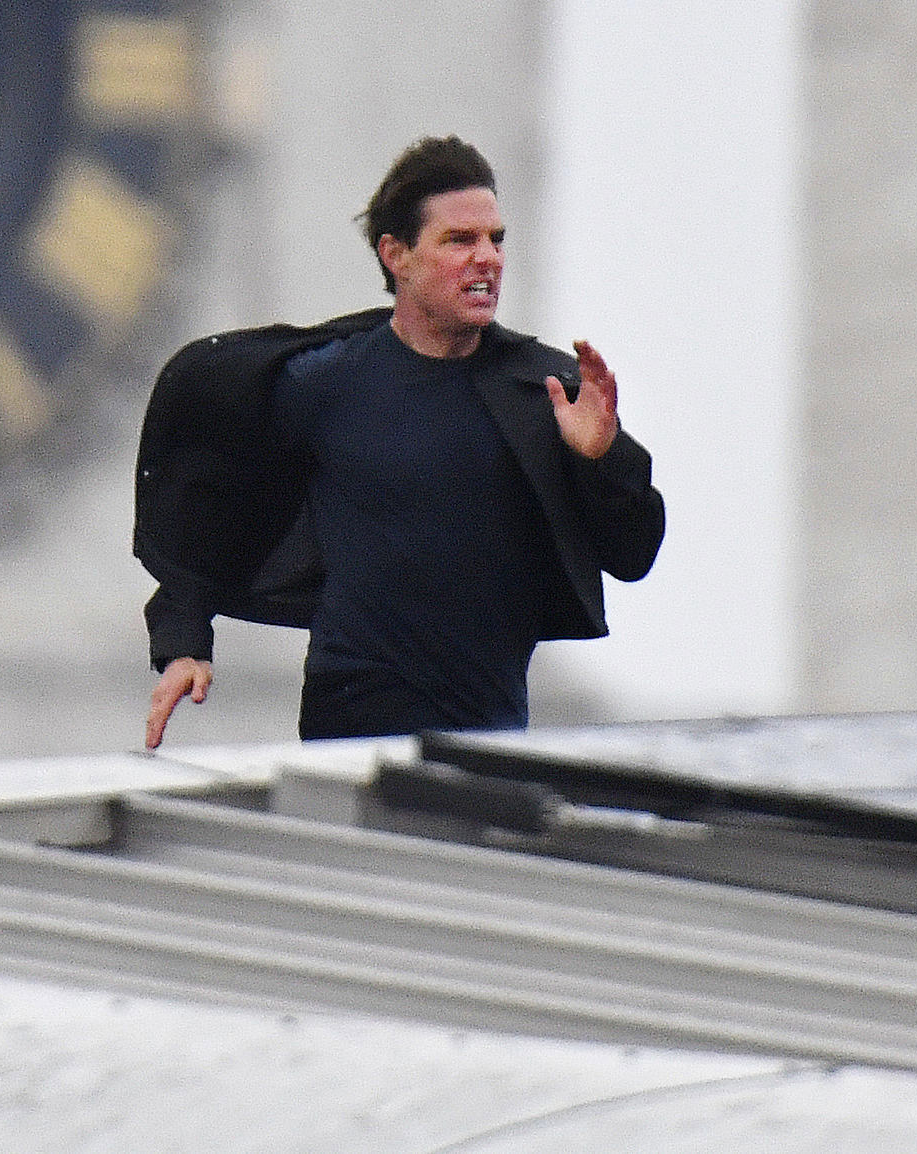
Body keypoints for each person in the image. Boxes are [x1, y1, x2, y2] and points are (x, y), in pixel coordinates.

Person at [134, 135, 663, 746]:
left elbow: (634, 555)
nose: (487, 258)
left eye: (496, 239)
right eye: (460, 241)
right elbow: (216, 510)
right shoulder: (323, 382)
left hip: (489, 735)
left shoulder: (542, 393)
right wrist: (183, 642)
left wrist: (601, 458)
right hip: (350, 721)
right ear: (397, 255)